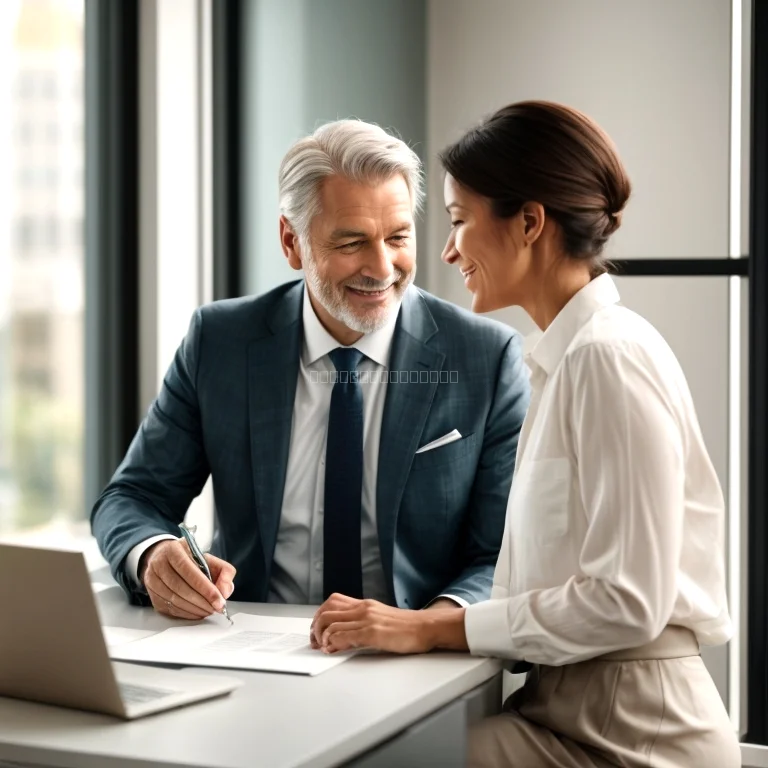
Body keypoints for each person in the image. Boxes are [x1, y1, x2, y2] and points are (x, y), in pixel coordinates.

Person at [310, 102, 739, 767]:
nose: (447, 251)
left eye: (458, 221)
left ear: (530, 222)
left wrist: (430, 627)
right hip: (569, 709)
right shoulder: (562, 361)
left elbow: (628, 601)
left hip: (632, 734)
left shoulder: (608, 357)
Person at [90, 119, 531, 622]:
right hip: (247, 643)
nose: (383, 267)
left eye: (398, 237)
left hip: (415, 652)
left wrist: (426, 627)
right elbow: (132, 497)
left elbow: (501, 554)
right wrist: (152, 554)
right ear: (291, 241)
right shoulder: (220, 341)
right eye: (351, 243)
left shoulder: (486, 359)